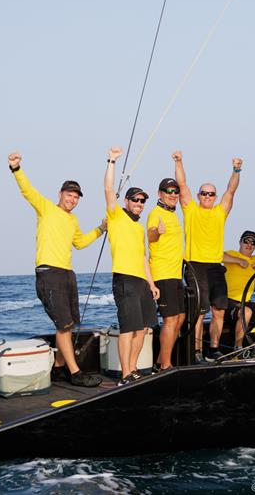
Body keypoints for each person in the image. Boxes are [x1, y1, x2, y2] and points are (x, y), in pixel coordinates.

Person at [8, 152, 104, 387]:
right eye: (69, 194)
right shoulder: (46, 208)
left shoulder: (73, 221)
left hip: (67, 274)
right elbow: (27, 191)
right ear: (60, 194)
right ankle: (75, 373)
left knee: (69, 324)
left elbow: (79, 243)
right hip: (49, 273)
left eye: (76, 197)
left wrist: (101, 228)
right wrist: (16, 168)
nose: (72, 199)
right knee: (63, 326)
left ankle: (59, 367)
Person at [174, 151, 242, 363]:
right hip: (195, 266)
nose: (207, 197)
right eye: (204, 193)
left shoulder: (220, 212)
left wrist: (237, 170)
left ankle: (213, 349)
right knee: (199, 312)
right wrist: (179, 161)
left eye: (211, 194)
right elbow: (182, 185)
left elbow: (231, 191)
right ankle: (196, 352)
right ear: (198, 195)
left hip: (215, 267)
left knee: (219, 310)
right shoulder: (191, 210)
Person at [104, 147, 160, 385]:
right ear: (126, 201)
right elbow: (108, 189)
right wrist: (112, 161)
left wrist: (152, 283)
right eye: (135, 199)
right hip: (124, 279)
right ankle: (125, 373)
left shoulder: (139, 228)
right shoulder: (116, 216)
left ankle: (134, 368)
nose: (139, 203)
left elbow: (144, 258)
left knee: (143, 328)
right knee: (128, 328)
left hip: (141, 281)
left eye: (142, 200)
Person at [147, 177, 186, 372]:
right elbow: (151, 234)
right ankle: (165, 365)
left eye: (175, 191)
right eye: (168, 191)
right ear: (159, 194)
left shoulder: (173, 215)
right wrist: (158, 232)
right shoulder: (156, 212)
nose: (173, 195)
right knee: (170, 319)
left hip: (176, 274)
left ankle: (159, 361)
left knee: (180, 317)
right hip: (163, 274)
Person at [222, 230, 255, 350]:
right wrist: (239, 261)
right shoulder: (232, 254)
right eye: (246, 241)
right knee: (246, 312)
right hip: (229, 303)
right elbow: (218, 255)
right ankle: (238, 347)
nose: (249, 245)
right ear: (240, 242)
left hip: (246, 302)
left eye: (253, 243)